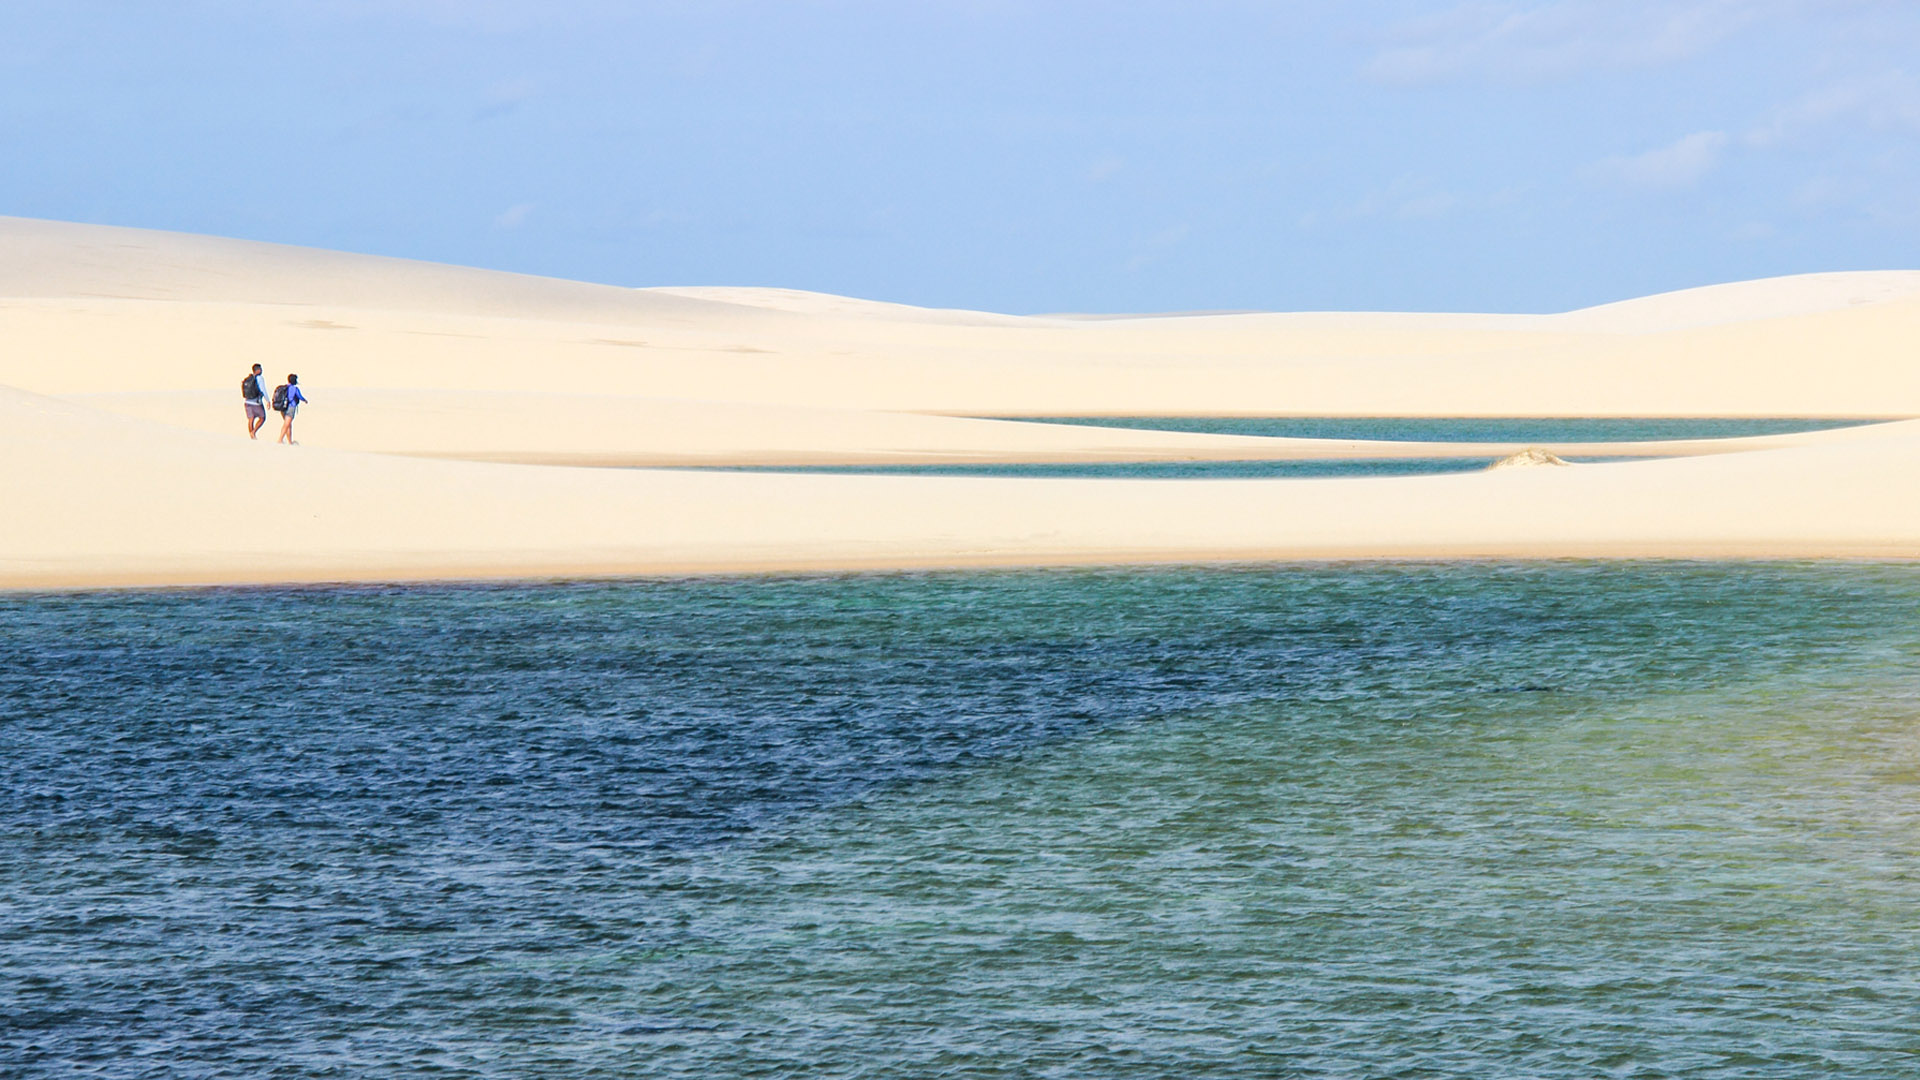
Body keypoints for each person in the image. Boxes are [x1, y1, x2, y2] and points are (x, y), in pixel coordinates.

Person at [275, 373, 310, 445]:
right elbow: (299, 396)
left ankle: (289, 441)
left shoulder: (284, 387)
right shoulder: (294, 388)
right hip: (291, 407)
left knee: (288, 424)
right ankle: (280, 439)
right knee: (286, 424)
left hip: (283, 407)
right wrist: (305, 400)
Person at [241, 363, 269, 439]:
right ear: (258, 370)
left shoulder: (248, 378)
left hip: (247, 402)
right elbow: (263, 390)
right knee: (262, 418)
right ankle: (253, 432)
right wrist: (268, 400)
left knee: (251, 419)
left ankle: (251, 436)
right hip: (256, 402)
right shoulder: (259, 378)